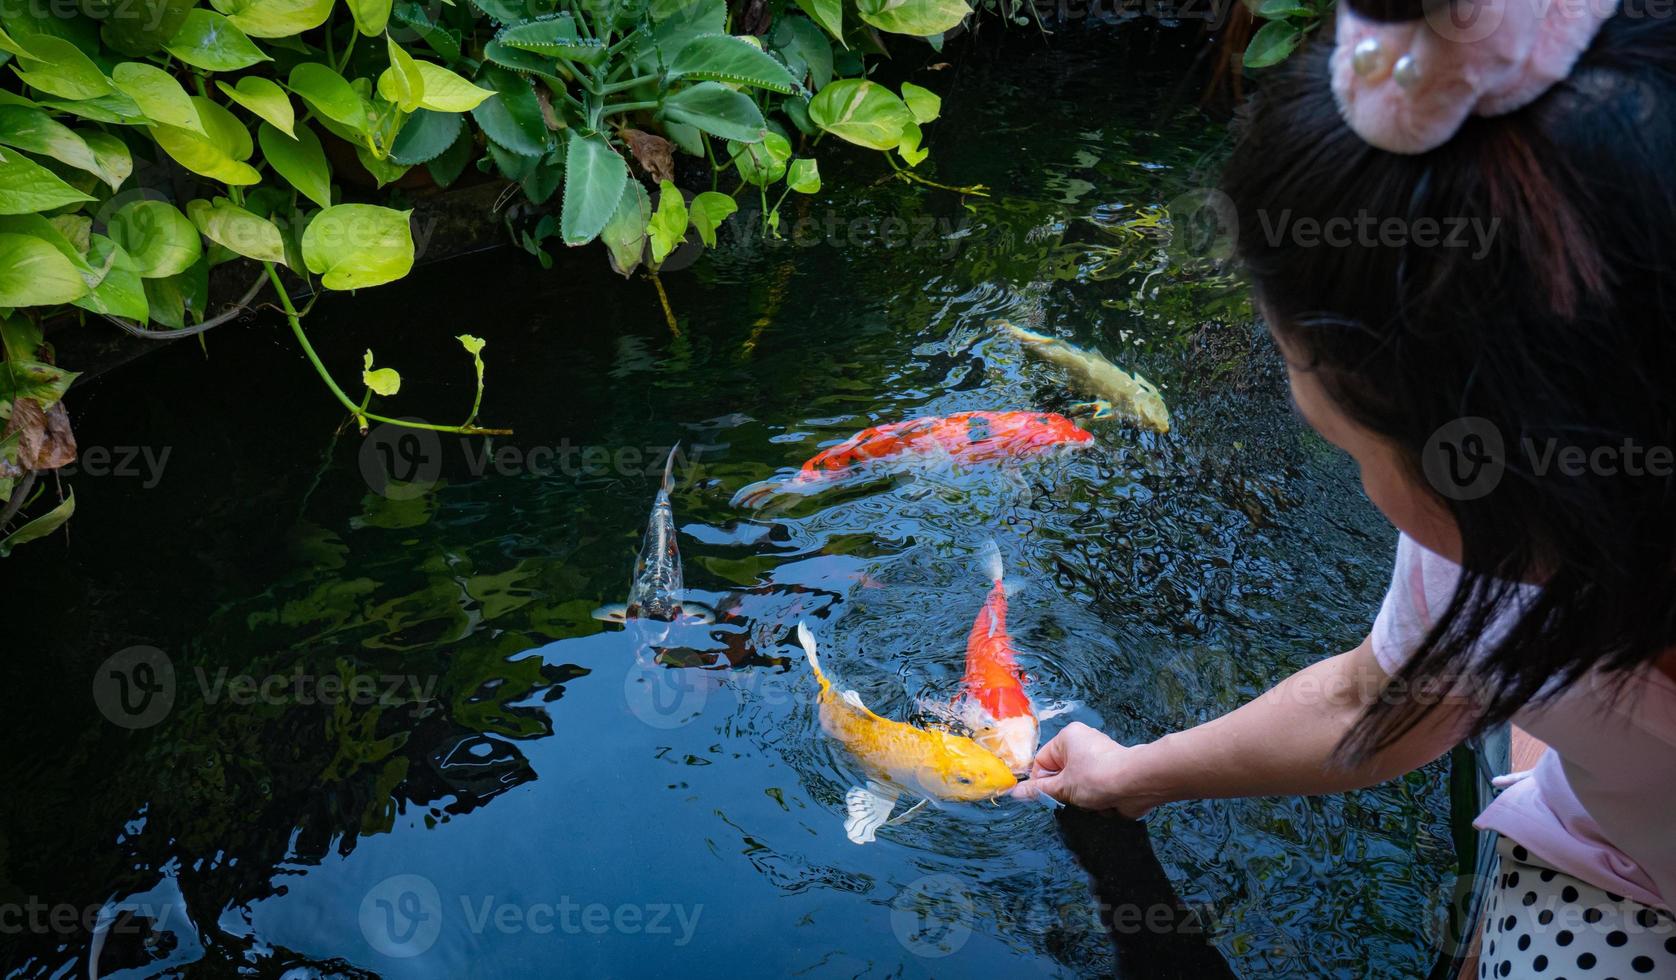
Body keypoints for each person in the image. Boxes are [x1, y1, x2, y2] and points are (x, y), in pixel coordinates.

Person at [1012, 0, 1676, 973]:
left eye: (1353, 452)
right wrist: (1134, 772)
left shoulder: (1484, 536)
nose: (1364, 491)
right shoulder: (1480, 560)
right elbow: (1369, 699)